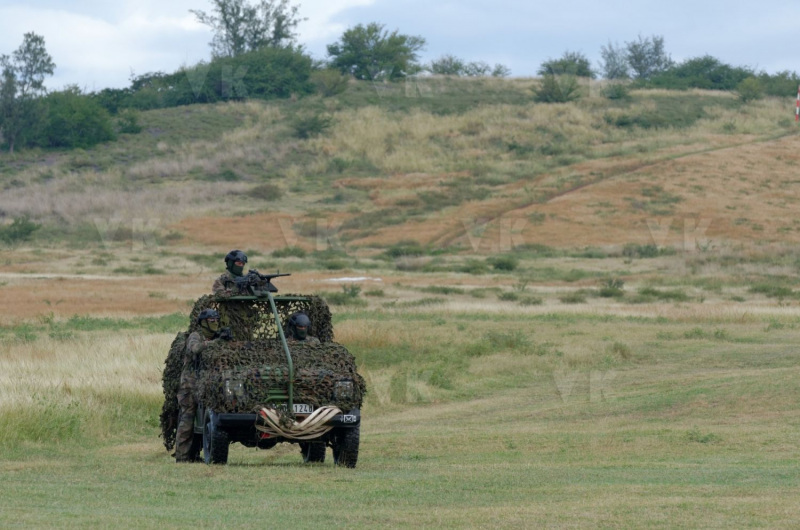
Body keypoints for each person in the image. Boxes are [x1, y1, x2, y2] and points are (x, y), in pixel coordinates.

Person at [175, 308, 222, 462]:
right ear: (203, 322)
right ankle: (182, 457)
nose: (215, 323)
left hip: (205, 384)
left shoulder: (215, 336)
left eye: (217, 320)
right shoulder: (196, 336)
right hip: (189, 385)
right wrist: (214, 343)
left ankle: (194, 455)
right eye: (212, 320)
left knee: (203, 421)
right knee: (187, 420)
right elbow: (196, 349)